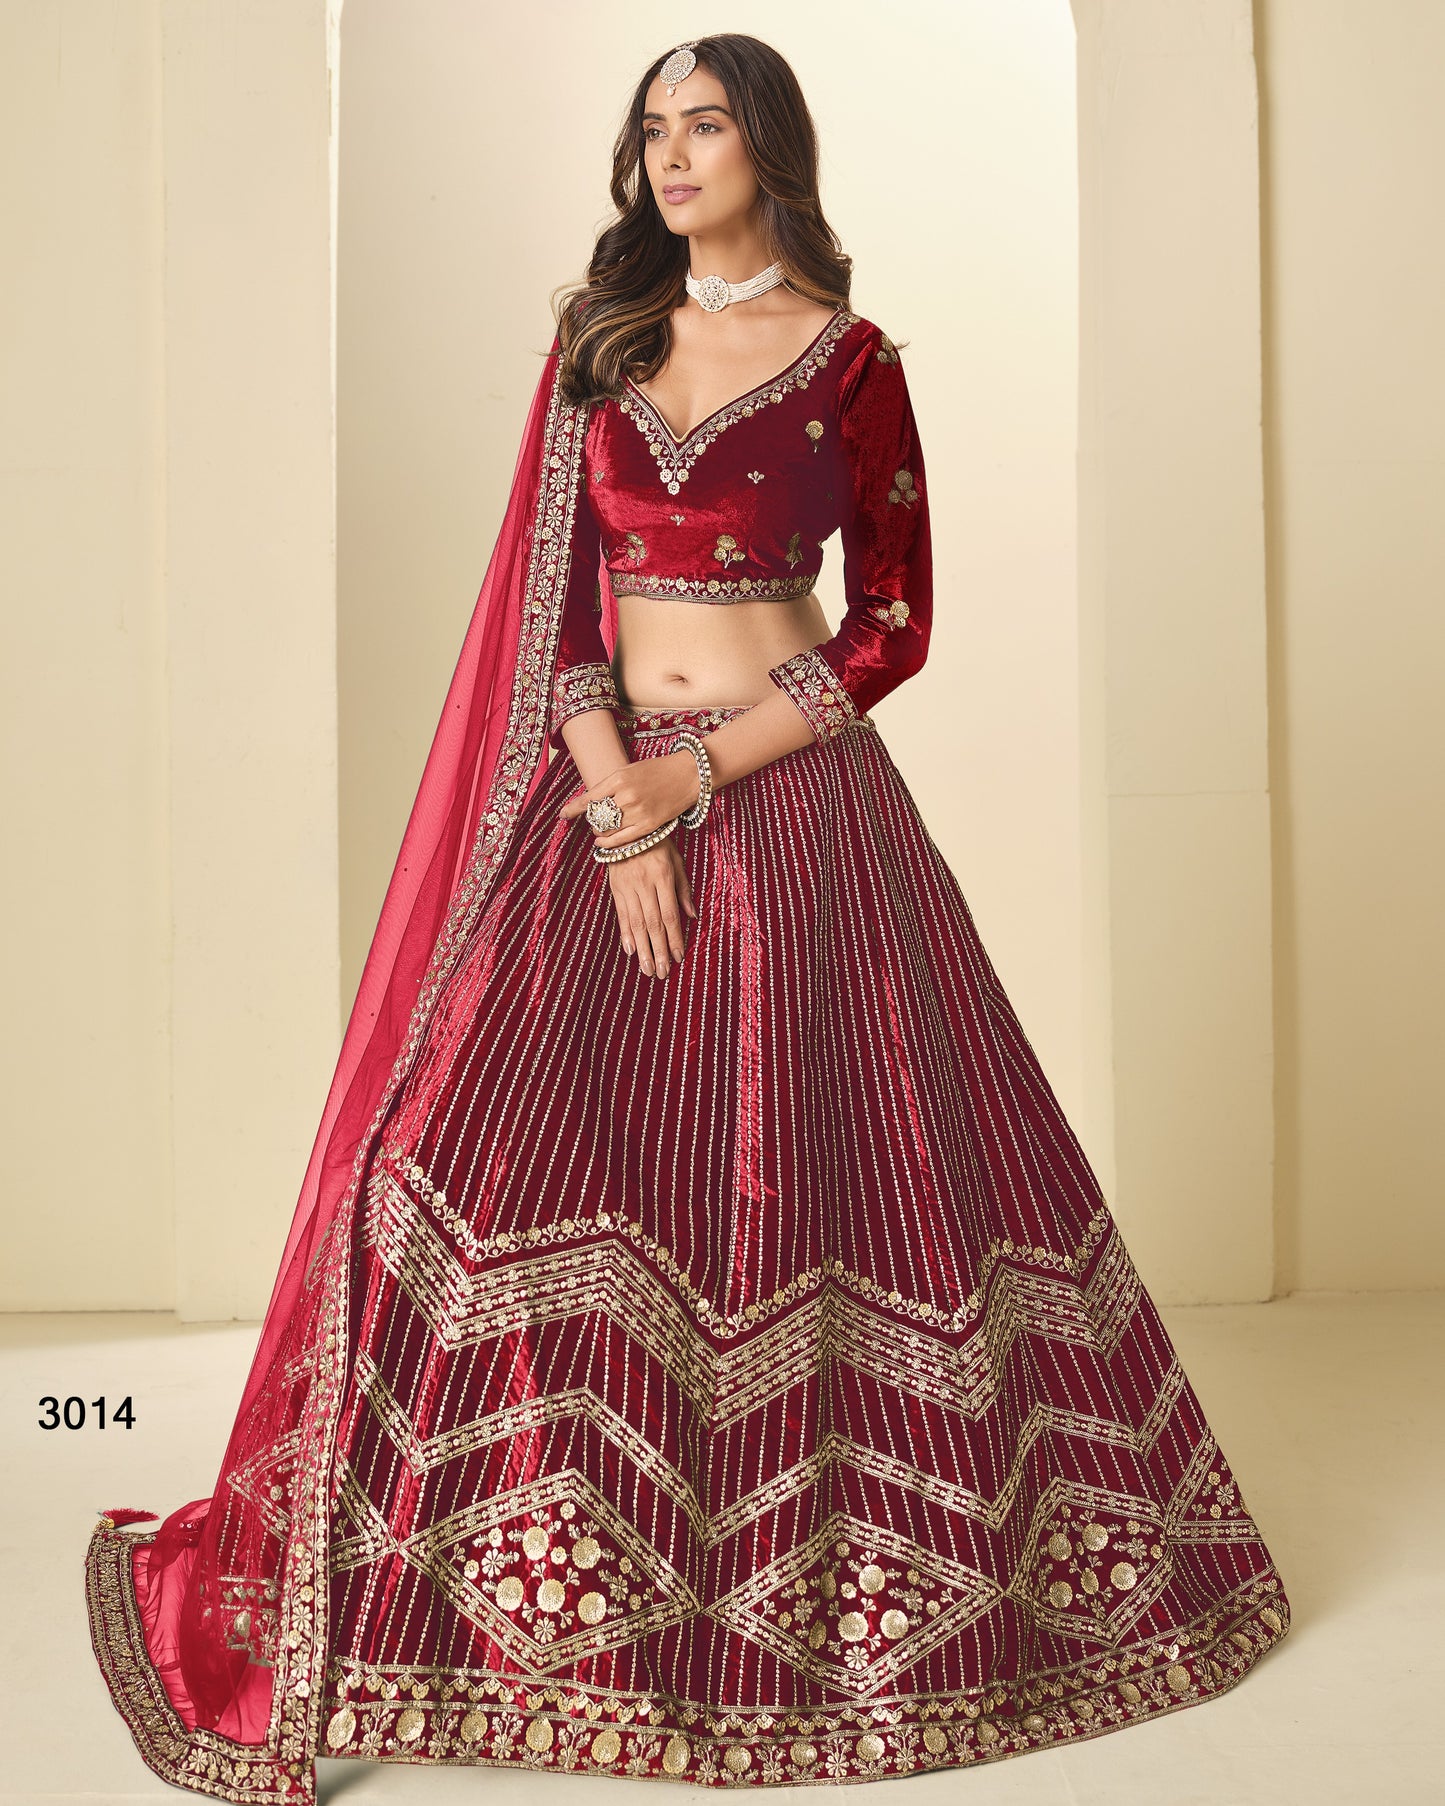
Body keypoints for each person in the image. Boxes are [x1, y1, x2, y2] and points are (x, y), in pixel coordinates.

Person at [84, 35, 1288, 1798]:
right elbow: (562, 611)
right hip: (603, 798)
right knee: (438, 1146)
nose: (669, 153)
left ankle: (793, 1607)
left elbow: (891, 625)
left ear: (767, 146)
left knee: (817, 1180)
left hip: (796, 810)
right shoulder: (599, 342)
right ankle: (462, 1585)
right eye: (650, 127)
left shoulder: (850, 364)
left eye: (702, 123)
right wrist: (616, 805)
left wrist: (698, 776)